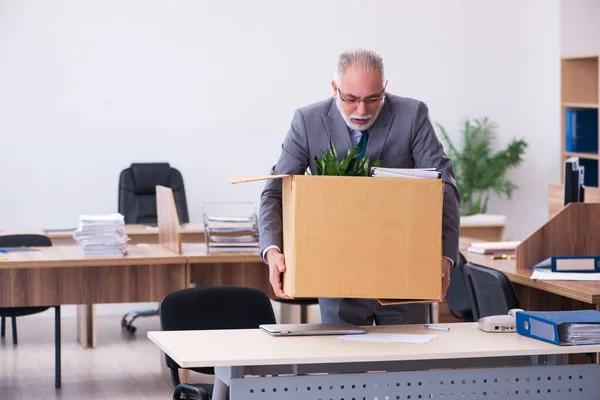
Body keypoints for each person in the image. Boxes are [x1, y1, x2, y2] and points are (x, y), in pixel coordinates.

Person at [258, 48, 460, 325]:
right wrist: (272, 250)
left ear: (384, 89)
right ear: (334, 88)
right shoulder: (307, 121)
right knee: (345, 364)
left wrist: (445, 257)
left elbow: (444, 186)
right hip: (337, 275)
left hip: (404, 270)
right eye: (351, 99)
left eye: (372, 99)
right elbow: (275, 191)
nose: (362, 110)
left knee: (409, 365)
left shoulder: (412, 115)